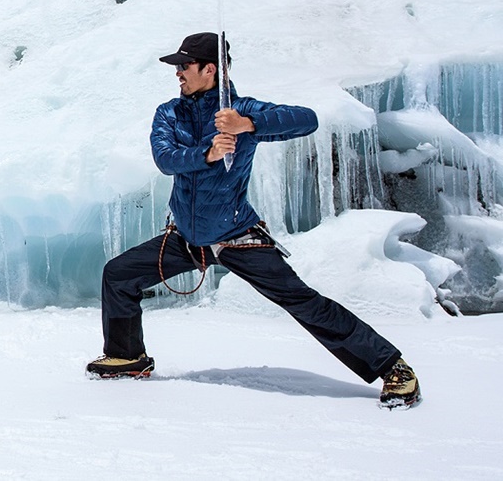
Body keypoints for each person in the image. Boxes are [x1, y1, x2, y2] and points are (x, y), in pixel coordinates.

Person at [85, 32, 420, 410]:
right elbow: (166, 159)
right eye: (176, 66)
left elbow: (306, 120)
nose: (177, 73)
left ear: (209, 69)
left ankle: (393, 368)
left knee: (304, 303)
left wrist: (248, 124)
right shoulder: (169, 113)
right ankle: (127, 356)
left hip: (236, 238)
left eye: (184, 66)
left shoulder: (241, 110)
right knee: (119, 274)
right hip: (185, 238)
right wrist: (207, 152)